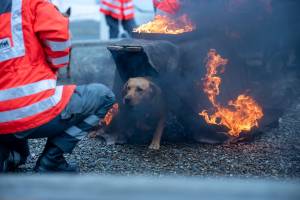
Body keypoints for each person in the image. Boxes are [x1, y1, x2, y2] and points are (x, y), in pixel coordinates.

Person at [0, 0, 115, 173]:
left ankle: (10, 155)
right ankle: (51, 160)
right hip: (32, 110)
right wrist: (52, 65)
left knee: (10, 121)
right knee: (104, 96)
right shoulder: (32, 3)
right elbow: (58, 40)